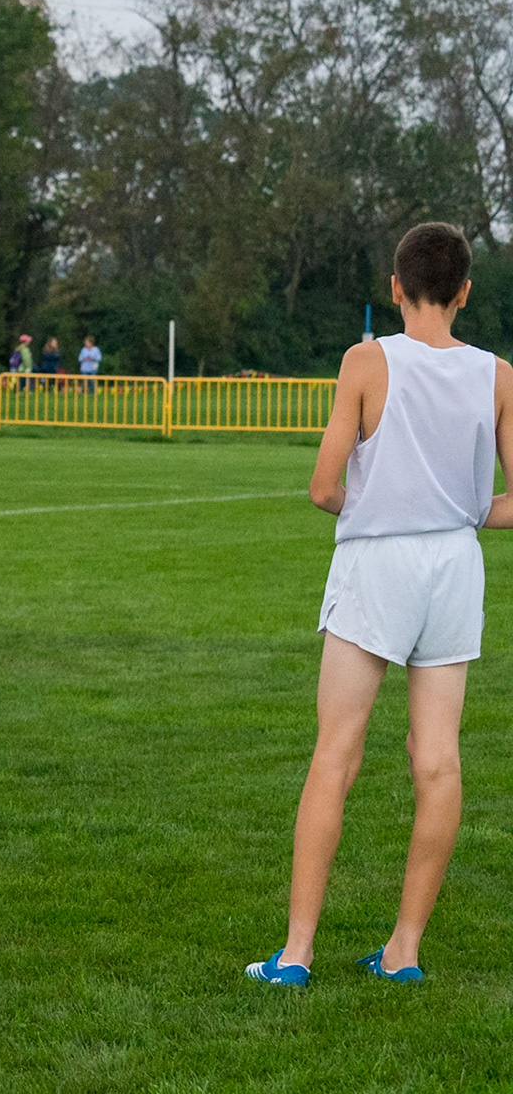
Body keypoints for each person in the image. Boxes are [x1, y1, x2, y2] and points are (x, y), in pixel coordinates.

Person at [247, 222, 513, 987]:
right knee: (437, 760)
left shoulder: (366, 360)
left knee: (336, 754)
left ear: (395, 286)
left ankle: (296, 954)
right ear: (465, 292)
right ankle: (404, 952)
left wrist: (386, 506)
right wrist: (455, 513)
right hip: (454, 568)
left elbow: (323, 487)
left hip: (378, 565)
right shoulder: (498, 374)